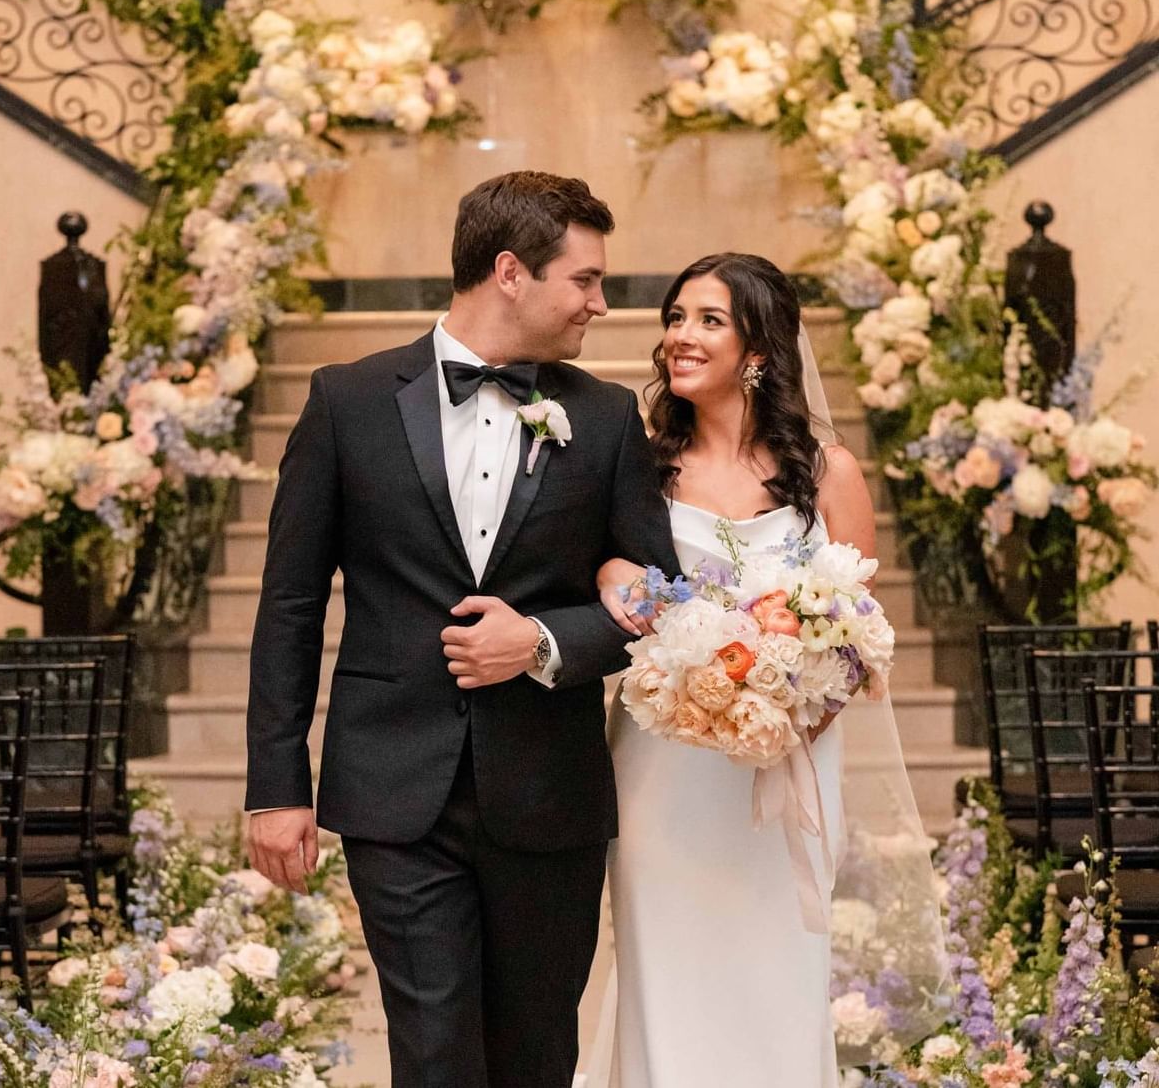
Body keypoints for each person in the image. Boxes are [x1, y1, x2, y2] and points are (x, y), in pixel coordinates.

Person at [244, 170, 679, 1088]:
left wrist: (548, 644)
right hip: (396, 790)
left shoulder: (603, 419)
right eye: (587, 280)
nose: (601, 304)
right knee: (435, 1051)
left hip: (548, 789)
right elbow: (289, 604)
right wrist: (275, 786)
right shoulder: (345, 401)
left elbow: (659, 602)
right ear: (512, 271)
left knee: (534, 1053)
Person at [588, 252, 939, 1087]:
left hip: (786, 757)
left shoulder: (827, 473)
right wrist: (614, 584)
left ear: (758, 348)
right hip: (661, 763)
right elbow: (604, 568)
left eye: (708, 320)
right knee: (664, 961)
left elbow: (859, 632)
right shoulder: (639, 465)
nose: (681, 336)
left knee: (776, 965)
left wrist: (785, 716)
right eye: (675, 318)